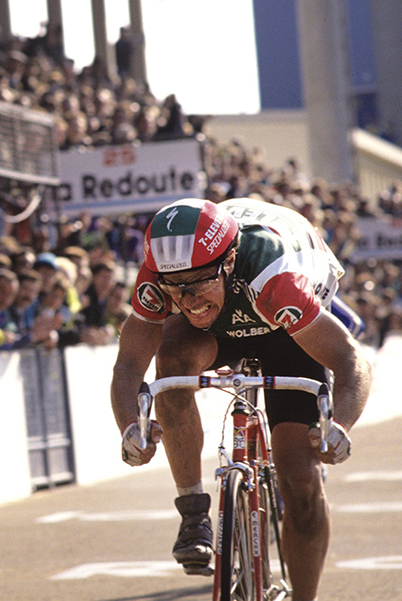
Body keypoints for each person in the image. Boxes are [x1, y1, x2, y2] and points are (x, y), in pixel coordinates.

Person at [110, 198, 372, 599]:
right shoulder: (159, 276)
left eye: (198, 283)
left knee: (300, 483)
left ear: (229, 261)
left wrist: (339, 426)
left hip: (285, 325)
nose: (189, 298)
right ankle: (193, 511)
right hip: (221, 324)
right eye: (176, 288)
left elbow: (350, 359)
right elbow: (129, 365)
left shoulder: (277, 279)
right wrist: (131, 427)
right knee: (173, 360)